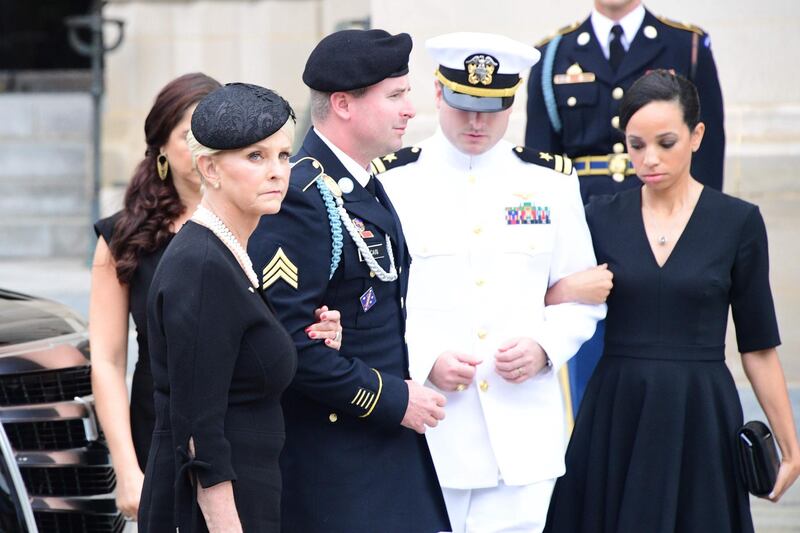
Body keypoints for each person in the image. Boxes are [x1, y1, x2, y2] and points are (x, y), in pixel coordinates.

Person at [543, 70, 800, 532]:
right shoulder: (599, 217)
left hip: (700, 412)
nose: (649, 158)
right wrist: (564, 291)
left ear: (697, 135)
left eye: (666, 142)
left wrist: (790, 445)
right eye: (636, 145)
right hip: (617, 410)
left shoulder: (738, 223)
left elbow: (758, 345)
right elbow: (538, 295)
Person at [378, 32, 606, 533]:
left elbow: (580, 294)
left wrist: (545, 346)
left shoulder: (550, 182)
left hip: (522, 436)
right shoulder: (394, 182)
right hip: (432, 427)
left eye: (492, 107)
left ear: (512, 102)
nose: (477, 122)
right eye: (463, 106)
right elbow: (379, 302)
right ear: (438, 94)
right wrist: (424, 359)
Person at [90, 74, 338, 522]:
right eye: (255, 156)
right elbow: (198, 430)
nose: (278, 170)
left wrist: (311, 335)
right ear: (210, 169)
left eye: (284, 155)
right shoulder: (201, 263)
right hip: (216, 509)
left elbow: (239, 358)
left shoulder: (228, 248)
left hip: (252, 490)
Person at [247, 29, 450, 533]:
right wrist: (391, 399)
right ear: (343, 104)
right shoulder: (303, 195)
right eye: (396, 95)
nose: (410, 109)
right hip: (334, 458)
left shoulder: (361, 183)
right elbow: (289, 346)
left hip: (378, 446)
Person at [526, 0, 726, 414]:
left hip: (664, 230)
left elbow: (706, 157)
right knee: (589, 380)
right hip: (585, 238)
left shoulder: (685, 45)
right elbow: (540, 170)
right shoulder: (552, 55)